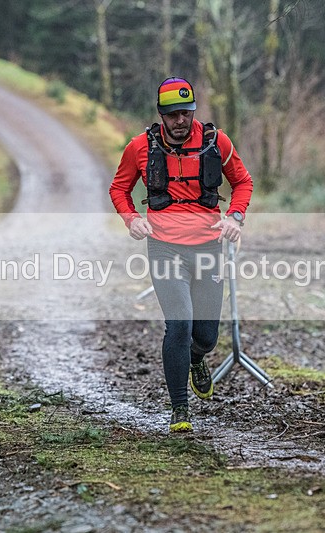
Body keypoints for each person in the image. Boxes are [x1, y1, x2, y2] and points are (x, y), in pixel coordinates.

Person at [109, 77, 253, 432]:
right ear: (161, 114)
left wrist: (235, 217)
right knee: (179, 323)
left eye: (186, 114)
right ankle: (180, 411)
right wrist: (131, 220)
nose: (180, 121)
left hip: (207, 247)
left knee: (205, 335)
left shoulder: (217, 142)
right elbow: (119, 188)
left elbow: (243, 182)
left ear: (193, 112)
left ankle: (196, 359)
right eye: (173, 115)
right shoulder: (139, 147)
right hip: (164, 246)